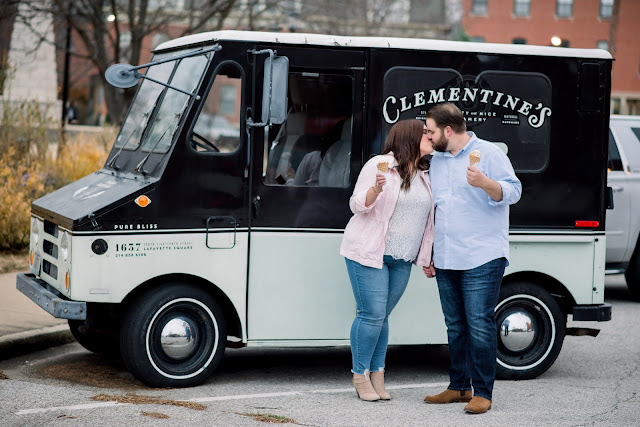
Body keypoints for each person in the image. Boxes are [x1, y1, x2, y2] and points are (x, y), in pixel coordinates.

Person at [422, 103, 522, 414]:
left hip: (482, 254)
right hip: (447, 255)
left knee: (479, 324)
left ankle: (483, 392)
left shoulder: (489, 153)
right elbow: (436, 210)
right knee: (455, 326)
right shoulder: (436, 161)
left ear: (448, 131)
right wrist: (431, 253)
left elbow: (515, 191)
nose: (426, 135)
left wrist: (485, 184)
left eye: (430, 131)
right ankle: (459, 386)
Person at [340, 119, 435, 401]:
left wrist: (428, 257)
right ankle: (360, 376)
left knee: (382, 316)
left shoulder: (426, 173)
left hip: (402, 258)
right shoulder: (380, 165)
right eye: (426, 133)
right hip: (370, 252)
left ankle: (378, 374)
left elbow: (428, 222)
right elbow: (356, 205)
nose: (431, 136)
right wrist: (376, 190)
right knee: (371, 314)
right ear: (410, 138)